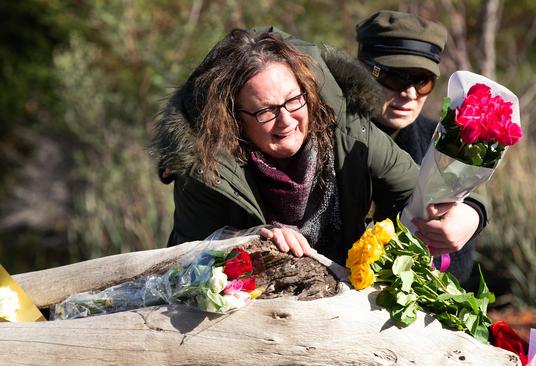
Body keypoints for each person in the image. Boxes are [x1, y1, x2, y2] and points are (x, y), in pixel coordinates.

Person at [152, 28, 481, 271]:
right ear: (233, 120)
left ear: (307, 91)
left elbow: (417, 191)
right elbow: (189, 260)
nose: (286, 121)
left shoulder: (348, 127)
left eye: (294, 101)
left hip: (345, 289)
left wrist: (471, 213)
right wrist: (248, 240)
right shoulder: (207, 166)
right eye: (265, 111)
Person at [355, 10, 487, 283]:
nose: (410, 94)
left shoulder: (436, 136)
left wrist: (473, 214)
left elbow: (475, 188)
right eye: (396, 78)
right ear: (364, 71)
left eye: (422, 81)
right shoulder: (327, 132)